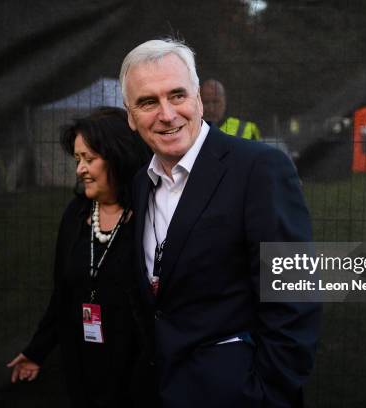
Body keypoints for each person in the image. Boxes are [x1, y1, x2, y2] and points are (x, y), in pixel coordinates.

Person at [121, 39, 321, 408]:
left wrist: (265, 393)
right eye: (148, 102)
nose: (166, 114)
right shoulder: (140, 183)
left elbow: (296, 294)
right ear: (130, 116)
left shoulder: (259, 168)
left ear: (198, 99)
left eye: (177, 95)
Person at [7, 107, 151, 407]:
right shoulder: (76, 214)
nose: (79, 170)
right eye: (77, 159)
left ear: (118, 157)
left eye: (89, 159)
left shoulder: (151, 218)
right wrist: (37, 350)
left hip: (138, 374)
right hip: (82, 366)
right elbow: (62, 293)